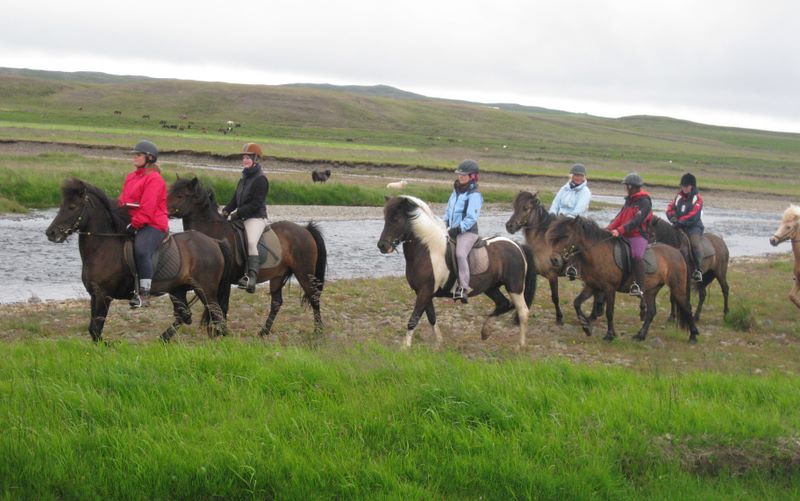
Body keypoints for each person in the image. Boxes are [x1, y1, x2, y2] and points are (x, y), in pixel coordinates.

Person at [119, 140, 169, 308]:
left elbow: (148, 208)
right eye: (134, 154)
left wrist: (135, 224)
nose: (134, 157)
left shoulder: (155, 179)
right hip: (133, 221)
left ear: (149, 158)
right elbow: (123, 200)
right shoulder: (131, 177)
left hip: (153, 224)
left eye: (138, 155)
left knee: (141, 250)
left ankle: (144, 293)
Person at [223, 143, 269, 293]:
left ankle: (252, 277)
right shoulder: (243, 178)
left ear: (255, 159)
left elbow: (256, 204)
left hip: (256, 218)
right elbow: (235, 199)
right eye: (244, 157)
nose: (245, 160)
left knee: (251, 242)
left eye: (248, 158)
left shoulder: (261, 179)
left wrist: (237, 213)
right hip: (242, 217)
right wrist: (226, 210)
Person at [606, 172, 653, 297]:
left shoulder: (645, 202)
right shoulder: (629, 201)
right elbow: (619, 218)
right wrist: (608, 229)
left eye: (626, 186)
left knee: (636, 256)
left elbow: (636, 221)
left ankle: (640, 286)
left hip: (638, 235)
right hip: (625, 234)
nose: (625, 188)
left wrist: (619, 230)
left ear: (631, 187)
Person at [443, 159, 483, 302]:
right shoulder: (455, 192)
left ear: (472, 176)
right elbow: (448, 211)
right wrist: (444, 224)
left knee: (460, 254)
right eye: (459, 174)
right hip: (452, 229)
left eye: (464, 175)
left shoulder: (474, 195)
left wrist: (459, 229)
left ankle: (463, 287)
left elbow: (471, 217)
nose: (460, 177)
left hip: (467, 232)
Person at [666, 172, 705, 283]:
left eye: (685, 186)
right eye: (682, 186)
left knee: (694, 244)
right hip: (679, 225)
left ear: (691, 186)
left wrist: (680, 221)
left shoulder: (697, 198)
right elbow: (670, 208)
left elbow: (693, 215)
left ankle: (698, 270)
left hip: (694, 227)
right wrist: (672, 217)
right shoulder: (678, 196)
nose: (683, 188)